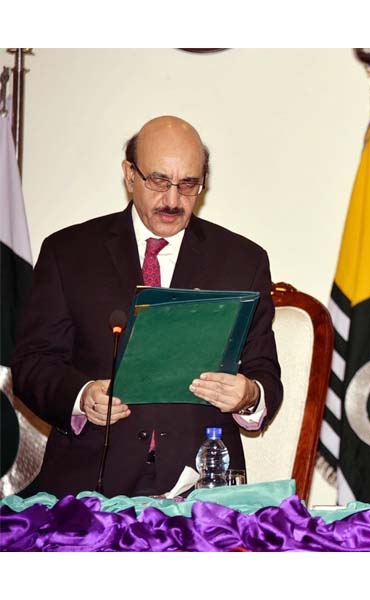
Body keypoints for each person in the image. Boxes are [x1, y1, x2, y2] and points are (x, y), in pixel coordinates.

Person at [12, 116, 283, 498]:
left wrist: (248, 395)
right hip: (89, 485)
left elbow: (265, 374)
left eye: (188, 184)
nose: (172, 200)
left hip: (201, 486)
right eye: (158, 181)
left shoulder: (243, 261)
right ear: (129, 175)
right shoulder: (68, 253)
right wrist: (82, 395)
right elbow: (32, 364)